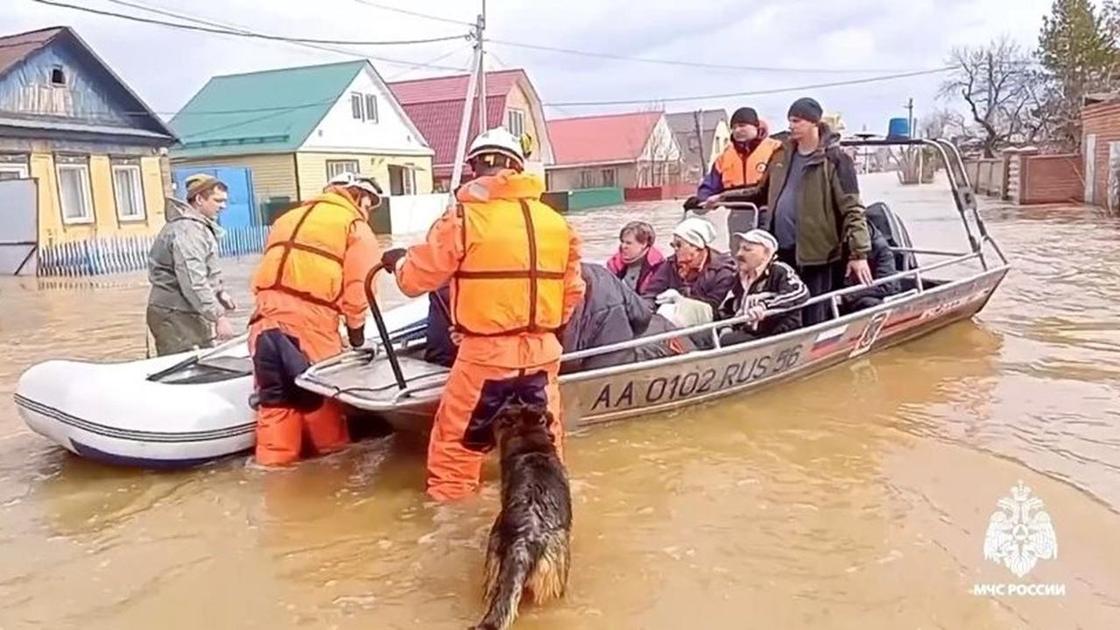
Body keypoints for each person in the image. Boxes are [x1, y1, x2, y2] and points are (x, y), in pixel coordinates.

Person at [380, 127, 585, 502]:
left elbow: (415, 280)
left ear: (475, 167)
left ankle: (452, 531)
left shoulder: (463, 218)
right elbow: (572, 293)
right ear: (518, 168)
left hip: (485, 358)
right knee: (545, 452)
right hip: (542, 355)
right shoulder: (557, 224)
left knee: (455, 455)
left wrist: (398, 262)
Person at [247, 172, 383, 466]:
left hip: (261, 324)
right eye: (369, 205)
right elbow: (360, 289)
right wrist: (357, 337)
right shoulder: (354, 226)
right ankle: (333, 477)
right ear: (360, 197)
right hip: (311, 328)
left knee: (275, 404)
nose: (368, 212)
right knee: (323, 404)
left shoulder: (287, 219)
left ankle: (274, 475)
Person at [754, 97, 873, 326]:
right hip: (781, 251)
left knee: (814, 315)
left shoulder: (836, 160)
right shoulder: (781, 155)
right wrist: (718, 198)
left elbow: (853, 208)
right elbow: (759, 192)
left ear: (814, 123)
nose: (791, 126)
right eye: (789, 120)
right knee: (781, 313)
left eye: (797, 121)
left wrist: (859, 254)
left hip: (818, 253)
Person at [146, 174, 235, 356]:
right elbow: (193, 280)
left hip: (184, 310)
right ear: (199, 199)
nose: (223, 206)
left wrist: (219, 293)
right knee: (185, 369)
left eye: (225, 201)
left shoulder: (197, 227)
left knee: (202, 362)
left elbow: (205, 272)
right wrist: (219, 316)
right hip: (175, 313)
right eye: (218, 200)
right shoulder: (188, 230)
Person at [687, 107, 783, 252]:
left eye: (742, 125)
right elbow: (709, 185)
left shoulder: (775, 149)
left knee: (765, 254)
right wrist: (702, 201)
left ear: (756, 126)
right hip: (737, 215)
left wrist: (721, 197)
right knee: (739, 256)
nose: (737, 130)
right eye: (734, 127)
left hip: (767, 214)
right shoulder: (725, 156)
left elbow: (774, 186)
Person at [640, 217, 737, 329]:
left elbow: (714, 307)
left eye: (679, 245)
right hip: (667, 321)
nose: (675, 249)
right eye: (673, 245)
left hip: (706, 325)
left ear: (696, 247)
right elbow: (651, 293)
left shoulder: (723, 270)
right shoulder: (670, 265)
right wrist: (645, 309)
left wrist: (682, 300)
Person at [718, 229, 809, 345]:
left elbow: (801, 293)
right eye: (739, 248)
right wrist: (726, 326)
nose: (739, 254)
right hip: (748, 332)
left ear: (766, 254)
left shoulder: (779, 271)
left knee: (727, 341)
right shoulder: (738, 277)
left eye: (747, 249)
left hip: (777, 336)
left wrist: (765, 306)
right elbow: (727, 308)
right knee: (705, 334)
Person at [560, 263, 652, 374]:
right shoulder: (602, 272)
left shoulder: (548, 285)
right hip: (620, 364)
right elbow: (642, 316)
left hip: (573, 370)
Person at [840, 222, 900, 313]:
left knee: (871, 304)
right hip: (851, 294)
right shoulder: (841, 248)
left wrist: (848, 296)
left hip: (875, 295)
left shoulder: (880, 249)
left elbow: (887, 285)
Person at [605, 221, 664, 293]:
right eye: (622, 242)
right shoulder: (614, 263)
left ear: (643, 244)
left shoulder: (658, 266)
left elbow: (652, 295)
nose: (623, 246)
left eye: (628, 243)